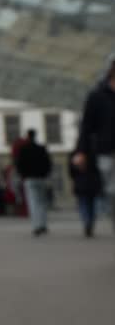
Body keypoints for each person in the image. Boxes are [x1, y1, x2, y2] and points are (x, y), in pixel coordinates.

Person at [74, 53, 115, 232]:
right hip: (107, 152)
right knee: (112, 193)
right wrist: (81, 151)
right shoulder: (97, 95)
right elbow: (87, 125)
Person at [17, 130, 53, 236]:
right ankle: (43, 224)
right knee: (42, 202)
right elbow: (48, 163)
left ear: (28, 136)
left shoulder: (23, 149)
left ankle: (36, 225)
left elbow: (19, 164)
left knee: (33, 203)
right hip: (41, 178)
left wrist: (23, 175)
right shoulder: (41, 148)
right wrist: (45, 174)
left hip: (29, 178)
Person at [69, 150, 102, 237]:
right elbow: (97, 171)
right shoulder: (93, 154)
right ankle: (90, 222)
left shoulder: (74, 155)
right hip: (92, 184)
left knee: (83, 205)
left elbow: (71, 172)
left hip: (80, 184)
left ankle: (86, 221)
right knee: (92, 206)